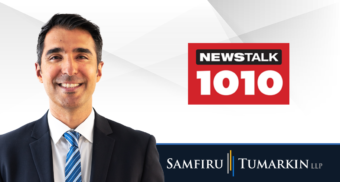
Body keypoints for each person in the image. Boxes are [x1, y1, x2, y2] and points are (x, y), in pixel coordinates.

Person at [0, 14, 164, 182]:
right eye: (55, 57)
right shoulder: (4, 151)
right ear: (39, 71)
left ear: (98, 71)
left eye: (81, 57)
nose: (69, 70)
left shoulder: (138, 149)